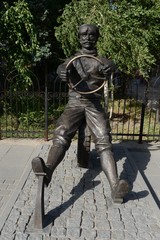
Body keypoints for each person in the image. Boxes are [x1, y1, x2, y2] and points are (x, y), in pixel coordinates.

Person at [32, 24, 129, 203]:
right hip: (75, 103)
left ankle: (115, 187)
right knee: (62, 134)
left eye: (92, 34)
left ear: (97, 37)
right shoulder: (73, 61)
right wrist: (62, 71)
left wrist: (111, 68)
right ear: (78, 37)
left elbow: (111, 65)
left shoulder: (102, 61)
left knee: (104, 141)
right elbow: (62, 67)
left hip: (94, 105)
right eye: (84, 35)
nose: (88, 38)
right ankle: (47, 172)